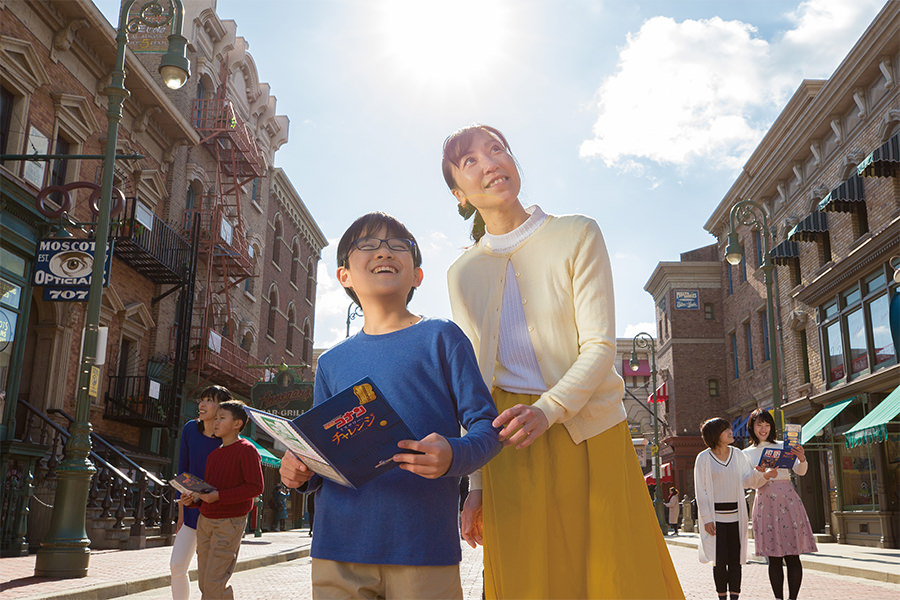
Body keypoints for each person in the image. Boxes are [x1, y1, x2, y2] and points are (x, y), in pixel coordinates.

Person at [442, 124, 683, 599]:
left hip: (589, 428)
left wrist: (548, 409)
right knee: (527, 583)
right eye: (470, 161)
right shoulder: (461, 273)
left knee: (616, 577)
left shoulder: (577, 233)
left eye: (497, 149)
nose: (490, 162)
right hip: (509, 443)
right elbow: (476, 388)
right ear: (459, 194)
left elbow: (599, 346)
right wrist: (476, 484)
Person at [280, 212, 501, 599]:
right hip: (337, 550)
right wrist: (300, 469)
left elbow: (488, 427)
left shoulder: (443, 337)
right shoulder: (330, 362)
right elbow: (322, 451)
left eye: (398, 245)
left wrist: (454, 455)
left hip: (422, 546)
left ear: (417, 273)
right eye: (367, 244)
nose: (384, 250)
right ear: (344, 275)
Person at [182, 399, 264, 600]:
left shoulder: (247, 450)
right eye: (215, 418)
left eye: (221, 418)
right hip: (205, 521)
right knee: (205, 582)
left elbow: (256, 487)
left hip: (229, 522)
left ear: (237, 424)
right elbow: (209, 491)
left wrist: (219, 496)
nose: (216, 422)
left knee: (213, 583)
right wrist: (193, 499)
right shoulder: (214, 455)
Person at [694, 417, 777, 600]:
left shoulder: (738, 455)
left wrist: (762, 473)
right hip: (715, 520)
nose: (731, 432)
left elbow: (748, 480)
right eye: (726, 430)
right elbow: (701, 490)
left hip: (736, 517)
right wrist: (707, 518)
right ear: (715, 435)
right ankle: (722, 596)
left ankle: (734, 596)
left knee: (736, 560)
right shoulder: (703, 458)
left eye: (730, 429)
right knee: (719, 561)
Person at [742, 409, 818, 600]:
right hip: (765, 503)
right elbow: (747, 483)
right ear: (752, 427)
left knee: (793, 555)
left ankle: (793, 598)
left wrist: (801, 458)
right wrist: (763, 474)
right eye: (759, 424)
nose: (763, 429)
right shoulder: (746, 453)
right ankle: (778, 598)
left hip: (788, 501)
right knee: (773, 557)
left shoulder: (784, 446)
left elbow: (800, 472)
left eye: (767, 425)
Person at [170, 385, 229, 600]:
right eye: (202, 400)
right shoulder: (189, 429)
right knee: (177, 565)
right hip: (191, 512)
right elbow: (182, 471)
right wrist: (181, 513)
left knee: (212, 576)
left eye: (209, 400)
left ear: (221, 408)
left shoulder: (227, 438)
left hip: (218, 515)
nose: (202, 405)